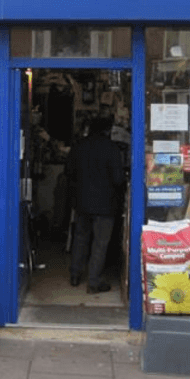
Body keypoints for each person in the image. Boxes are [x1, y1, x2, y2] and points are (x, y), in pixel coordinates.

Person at [65, 116, 125, 293]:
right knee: (100, 242)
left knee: (80, 238)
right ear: (107, 130)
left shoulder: (79, 146)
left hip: (82, 202)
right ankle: (94, 281)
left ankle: (75, 275)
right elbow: (118, 179)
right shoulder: (111, 148)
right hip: (105, 204)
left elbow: (69, 172)